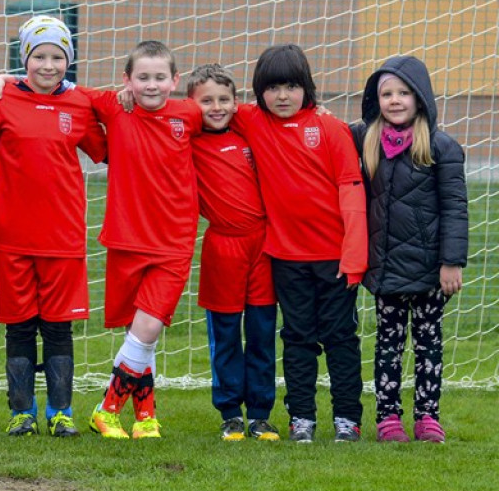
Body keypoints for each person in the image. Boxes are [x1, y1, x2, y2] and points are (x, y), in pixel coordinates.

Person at [0, 39, 202, 439]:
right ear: (127, 80)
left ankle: (105, 409)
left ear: (175, 80)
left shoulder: (190, 113)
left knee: (146, 329)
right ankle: (145, 417)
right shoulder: (112, 105)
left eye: (160, 77)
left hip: (173, 239)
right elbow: (52, 84)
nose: (151, 85)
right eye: (142, 77)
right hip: (125, 237)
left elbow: (229, 115)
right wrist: (9, 79)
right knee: (140, 331)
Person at [0, 16, 106, 437]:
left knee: (59, 326)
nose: (48, 65)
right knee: (20, 325)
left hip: (63, 236)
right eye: (39, 56)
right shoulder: (2, 99)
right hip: (12, 235)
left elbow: (107, 150)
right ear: (24, 58)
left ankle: (60, 413)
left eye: (57, 57)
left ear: (69, 60)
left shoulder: (79, 104)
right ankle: (22, 412)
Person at [231, 43, 367, 443]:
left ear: (306, 87)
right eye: (272, 88)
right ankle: (302, 417)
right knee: (297, 338)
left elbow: (352, 191)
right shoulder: (253, 120)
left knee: (341, 339)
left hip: (335, 259)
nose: (282, 96)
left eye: (291, 86)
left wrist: (354, 257)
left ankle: (347, 418)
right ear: (259, 92)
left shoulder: (330, 128)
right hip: (286, 258)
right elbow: (207, 105)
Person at [351, 56, 467, 443]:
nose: (395, 100)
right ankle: (388, 418)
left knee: (428, 343)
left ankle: (427, 416)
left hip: (430, 270)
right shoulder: (365, 140)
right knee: (388, 344)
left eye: (404, 92)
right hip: (386, 268)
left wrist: (451, 262)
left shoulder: (440, 146)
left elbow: (455, 207)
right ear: (376, 99)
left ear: (420, 97)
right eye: (387, 94)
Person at [187, 64, 279, 441]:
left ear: (235, 102)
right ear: (191, 105)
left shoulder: (248, 132)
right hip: (223, 247)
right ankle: (230, 414)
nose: (216, 107)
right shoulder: (187, 141)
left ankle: (259, 414)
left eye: (224, 99)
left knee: (261, 333)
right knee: (225, 334)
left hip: (263, 246)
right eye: (206, 100)